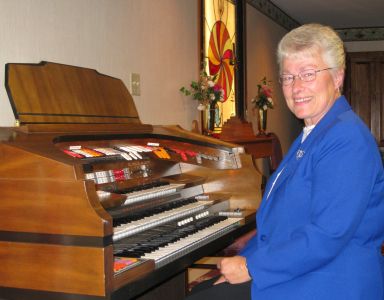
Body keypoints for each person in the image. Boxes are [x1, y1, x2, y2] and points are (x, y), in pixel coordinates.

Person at [186, 23, 384, 300]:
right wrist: (248, 252)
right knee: (205, 290)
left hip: (330, 280)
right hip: (305, 268)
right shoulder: (316, 132)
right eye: (288, 77)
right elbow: (286, 220)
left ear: (338, 77)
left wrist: (251, 266)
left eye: (308, 74)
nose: (296, 87)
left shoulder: (346, 139)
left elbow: (327, 236)